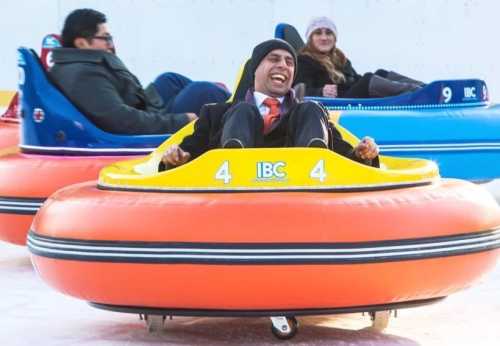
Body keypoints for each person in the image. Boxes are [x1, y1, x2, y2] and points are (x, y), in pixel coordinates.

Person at [162, 39, 379, 169]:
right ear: (255, 69)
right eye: (274, 59)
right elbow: (187, 154)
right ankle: (235, 159)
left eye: (289, 62)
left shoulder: (311, 115)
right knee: (242, 111)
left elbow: (346, 158)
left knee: (310, 107)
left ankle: (312, 158)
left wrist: (362, 154)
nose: (283, 66)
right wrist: (176, 158)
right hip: (232, 192)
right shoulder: (215, 114)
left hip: (304, 188)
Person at [49, 9, 230, 135]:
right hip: (137, 124)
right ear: (81, 43)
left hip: (140, 107)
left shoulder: (78, 64)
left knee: (169, 79)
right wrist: (182, 120)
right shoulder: (83, 76)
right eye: (105, 38)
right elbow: (122, 121)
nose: (111, 44)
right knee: (202, 91)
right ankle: (244, 115)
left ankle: (231, 107)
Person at [295, 16, 424, 99]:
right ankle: (418, 94)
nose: (324, 37)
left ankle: (424, 87)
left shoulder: (339, 58)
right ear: (310, 39)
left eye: (329, 33)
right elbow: (297, 91)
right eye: (318, 33)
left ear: (334, 38)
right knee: (368, 79)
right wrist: (320, 91)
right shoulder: (304, 61)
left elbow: (355, 79)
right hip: (338, 105)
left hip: (349, 95)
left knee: (380, 73)